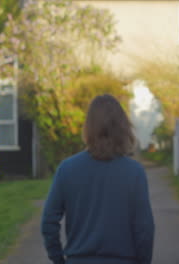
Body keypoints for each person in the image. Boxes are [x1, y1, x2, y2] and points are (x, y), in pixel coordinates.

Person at [41, 94, 155, 264]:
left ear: (89, 127)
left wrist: (58, 259)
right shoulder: (134, 172)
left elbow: (49, 222)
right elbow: (145, 229)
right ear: (123, 127)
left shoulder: (67, 169)